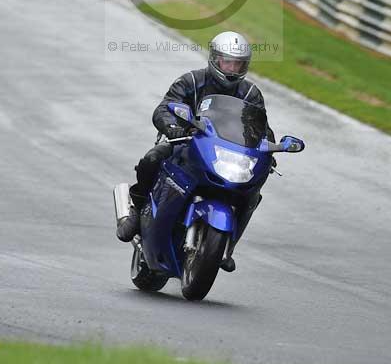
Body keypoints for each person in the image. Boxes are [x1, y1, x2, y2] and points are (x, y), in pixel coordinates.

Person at [116, 31, 275, 270]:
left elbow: (261, 128)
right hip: (186, 144)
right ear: (214, 59)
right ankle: (136, 209)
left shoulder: (251, 94)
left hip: (225, 155)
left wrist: (268, 150)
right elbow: (164, 108)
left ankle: (227, 247)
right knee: (152, 158)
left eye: (238, 64)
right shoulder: (191, 81)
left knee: (253, 189)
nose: (231, 68)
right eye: (227, 62)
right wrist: (173, 128)